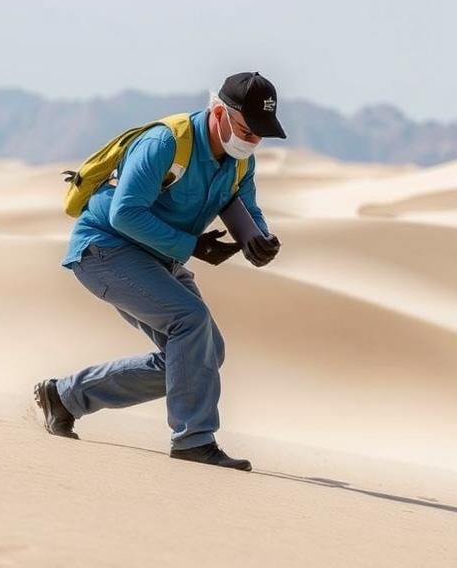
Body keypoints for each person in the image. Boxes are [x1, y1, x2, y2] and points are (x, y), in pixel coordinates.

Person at [34, 72, 286, 471]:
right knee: (192, 321)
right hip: (105, 249)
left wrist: (260, 240)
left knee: (203, 355)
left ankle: (64, 397)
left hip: (157, 258)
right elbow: (125, 213)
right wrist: (194, 246)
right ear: (219, 112)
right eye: (246, 130)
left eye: (260, 135)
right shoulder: (166, 143)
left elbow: (246, 207)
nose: (252, 141)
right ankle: (193, 440)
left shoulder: (240, 162)